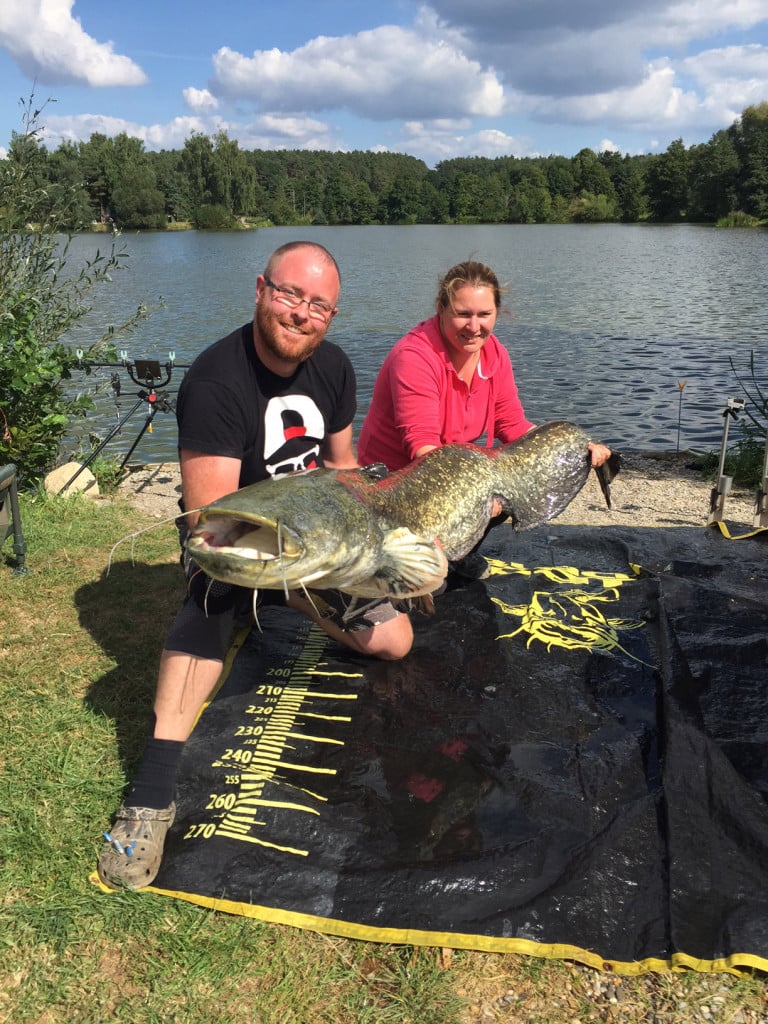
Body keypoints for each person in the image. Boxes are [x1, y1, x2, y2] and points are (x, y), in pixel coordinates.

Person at [98, 241, 413, 890]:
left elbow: (344, 474)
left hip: (312, 551)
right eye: (290, 294)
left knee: (395, 641)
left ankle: (291, 600)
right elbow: (209, 526)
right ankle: (151, 796)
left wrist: (370, 542)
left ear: (331, 315)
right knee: (207, 616)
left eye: (318, 305)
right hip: (237, 553)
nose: (301, 314)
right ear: (261, 288)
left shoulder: (336, 370)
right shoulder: (216, 381)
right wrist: (284, 563)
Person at [358, 259, 612, 472]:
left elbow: (511, 425)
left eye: (484, 314)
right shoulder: (415, 357)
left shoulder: (494, 354)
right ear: (441, 309)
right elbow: (423, 446)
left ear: (497, 312)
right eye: (463, 314)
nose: (474, 327)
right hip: (392, 478)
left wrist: (572, 448)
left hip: (450, 468)